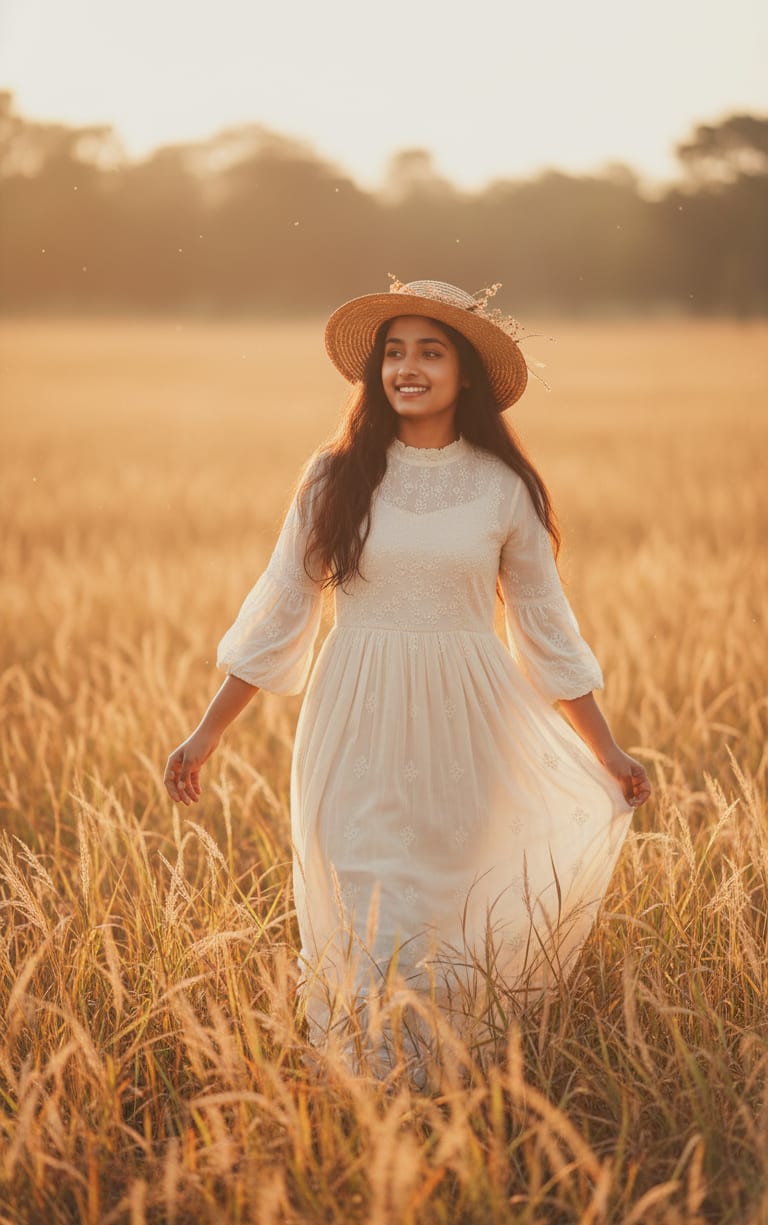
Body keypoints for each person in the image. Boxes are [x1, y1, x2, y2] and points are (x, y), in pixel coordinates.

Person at [163, 278, 651, 1080]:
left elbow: (545, 626)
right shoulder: (334, 476)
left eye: (431, 351)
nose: (408, 367)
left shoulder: (503, 487)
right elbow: (283, 606)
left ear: (466, 374)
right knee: (368, 909)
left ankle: (441, 1104)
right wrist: (208, 730)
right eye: (394, 353)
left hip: (470, 724)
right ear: (374, 373)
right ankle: (365, 1097)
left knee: (444, 915)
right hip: (353, 716)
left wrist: (606, 749)